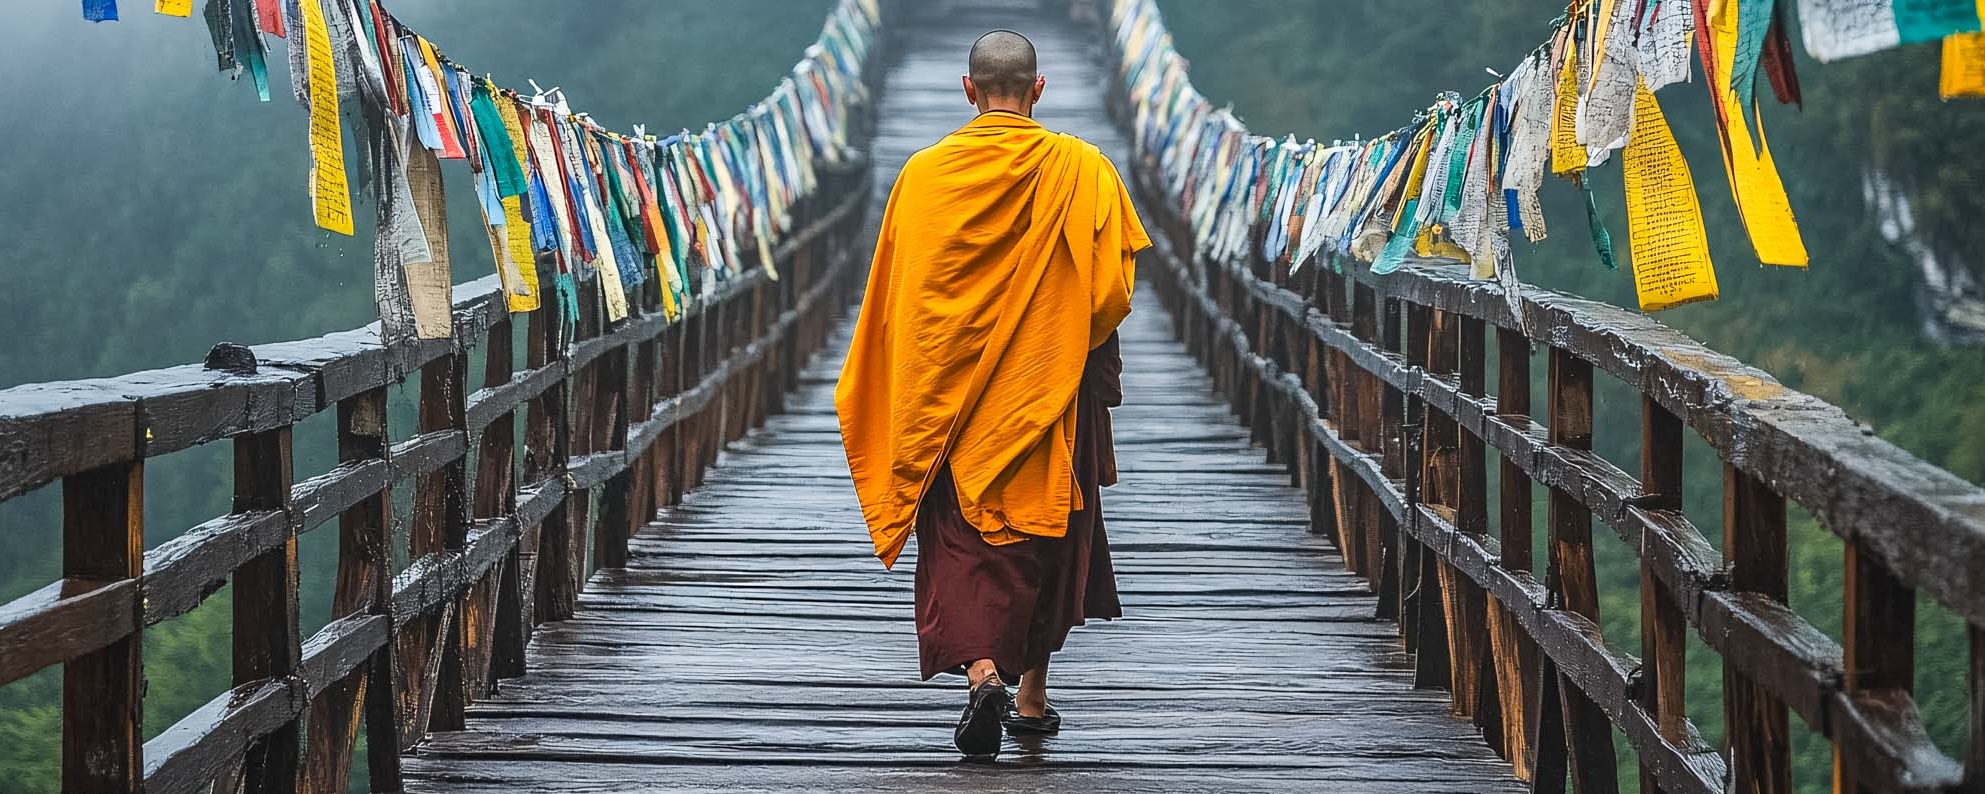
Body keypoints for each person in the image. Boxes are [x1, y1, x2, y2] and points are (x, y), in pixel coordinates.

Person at [835, 29, 1149, 759]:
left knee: (960, 538)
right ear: (1038, 90)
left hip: (949, 396)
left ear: (967, 89)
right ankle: (1031, 699)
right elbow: (1111, 292)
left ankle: (982, 673)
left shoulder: (923, 174)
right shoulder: (1083, 169)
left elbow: (899, 295)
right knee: (1045, 534)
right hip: (1045, 386)